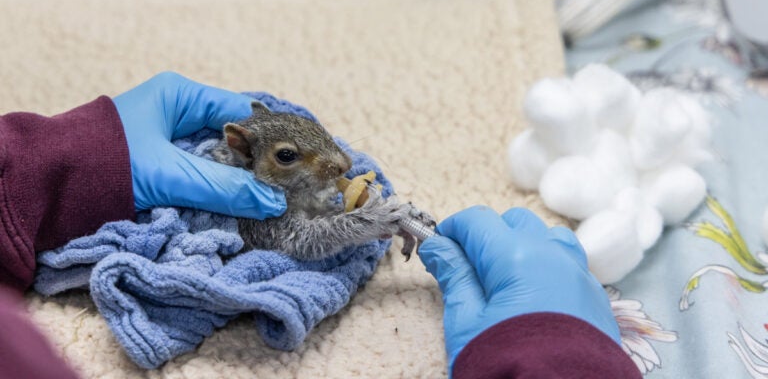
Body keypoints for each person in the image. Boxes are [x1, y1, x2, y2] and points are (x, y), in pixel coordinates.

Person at [0, 72, 641, 378]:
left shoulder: (321, 167)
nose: (335, 166)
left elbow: (328, 183)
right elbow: (298, 241)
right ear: (244, 153)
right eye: (289, 159)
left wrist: (59, 159)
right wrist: (557, 358)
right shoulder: (249, 195)